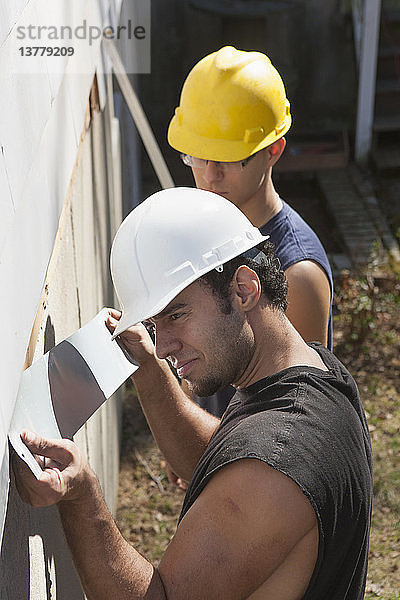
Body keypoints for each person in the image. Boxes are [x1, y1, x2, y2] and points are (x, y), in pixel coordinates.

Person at [14, 188, 372, 600]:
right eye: (154, 323)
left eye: (176, 315)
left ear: (243, 289)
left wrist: (81, 494)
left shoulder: (272, 470)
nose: (163, 344)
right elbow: (221, 464)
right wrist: (149, 372)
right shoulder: (315, 372)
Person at [168, 45, 334, 418]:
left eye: (228, 158)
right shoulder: (201, 232)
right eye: (198, 155)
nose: (210, 175)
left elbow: (295, 417)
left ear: (274, 149)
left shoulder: (298, 273)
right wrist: (189, 421)